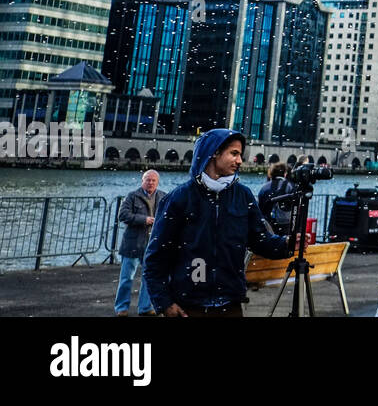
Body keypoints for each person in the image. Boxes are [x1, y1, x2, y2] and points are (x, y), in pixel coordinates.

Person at [144, 128, 293, 317]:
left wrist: (287, 244)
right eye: (234, 153)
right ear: (214, 153)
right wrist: (164, 303)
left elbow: (260, 240)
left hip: (230, 304)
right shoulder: (179, 198)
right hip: (188, 307)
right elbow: (156, 257)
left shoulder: (242, 195)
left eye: (240, 154)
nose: (239, 160)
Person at [115, 169, 163, 317]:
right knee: (126, 278)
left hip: (152, 245)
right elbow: (122, 215)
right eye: (147, 180)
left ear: (157, 182)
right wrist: (145, 220)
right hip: (133, 245)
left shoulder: (163, 197)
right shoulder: (132, 196)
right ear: (142, 181)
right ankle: (122, 308)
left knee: (148, 278)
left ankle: (145, 307)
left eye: (153, 180)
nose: (150, 183)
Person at [257, 163, 295, 235]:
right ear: (285, 173)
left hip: (268, 223)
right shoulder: (289, 185)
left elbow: (260, 206)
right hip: (285, 222)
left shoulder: (265, 187)